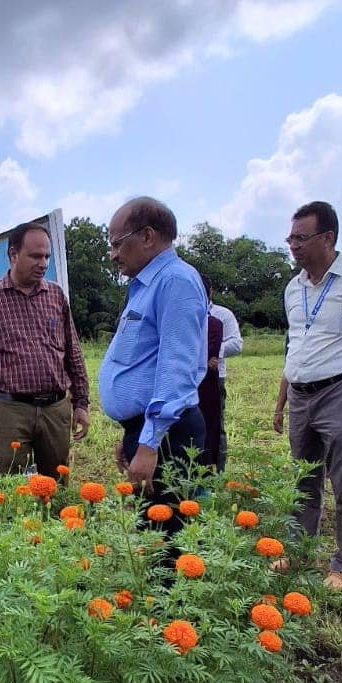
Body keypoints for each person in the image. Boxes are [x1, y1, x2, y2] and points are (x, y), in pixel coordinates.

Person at [0, 222, 90, 476]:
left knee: (56, 484)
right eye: (35, 256)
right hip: (10, 411)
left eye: (46, 256)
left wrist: (81, 403)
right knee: (15, 489)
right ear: (13, 255)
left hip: (55, 409)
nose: (43, 263)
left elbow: (73, 352)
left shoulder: (56, 295)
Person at [98, 197, 207, 522]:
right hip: (151, 431)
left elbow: (176, 370)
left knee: (167, 538)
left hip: (168, 435)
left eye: (117, 244)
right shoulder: (146, 285)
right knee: (153, 533)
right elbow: (143, 365)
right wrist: (134, 434)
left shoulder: (175, 281)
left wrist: (148, 444)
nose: (113, 254)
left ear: (147, 237)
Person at [274, 201, 342, 591]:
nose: (293, 246)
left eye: (301, 238)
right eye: (290, 238)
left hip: (341, 391)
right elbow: (294, 347)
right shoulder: (293, 288)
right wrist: (281, 398)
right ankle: (300, 550)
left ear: (328, 238)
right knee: (304, 479)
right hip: (301, 397)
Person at [208, 294, 243, 471]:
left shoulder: (222, 314)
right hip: (187, 377)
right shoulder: (184, 311)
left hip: (214, 375)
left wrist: (212, 351)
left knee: (215, 425)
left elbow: (236, 345)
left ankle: (218, 472)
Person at [197, 275, 223, 468]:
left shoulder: (214, 323)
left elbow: (209, 353)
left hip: (205, 388)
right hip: (180, 388)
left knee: (207, 437)